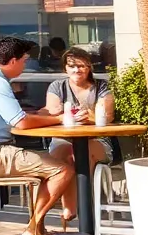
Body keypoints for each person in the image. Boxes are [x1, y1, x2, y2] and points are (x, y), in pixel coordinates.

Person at [0, 36, 74, 235]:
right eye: (24, 60)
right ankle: (33, 229)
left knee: (47, 169)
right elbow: (21, 123)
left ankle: (36, 229)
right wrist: (58, 119)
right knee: (62, 171)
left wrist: (41, 115)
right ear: (13, 61)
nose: (25, 65)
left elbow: (17, 117)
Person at [45, 46, 114, 224]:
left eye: (82, 66)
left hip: (97, 140)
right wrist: (64, 114)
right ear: (65, 68)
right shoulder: (57, 86)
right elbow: (52, 110)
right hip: (63, 139)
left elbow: (107, 115)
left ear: (89, 67)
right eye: (72, 66)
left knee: (81, 154)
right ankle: (72, 208)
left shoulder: (101, 87)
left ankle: (86, 211)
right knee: (67, 155)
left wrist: (88, 116)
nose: (77, 70)